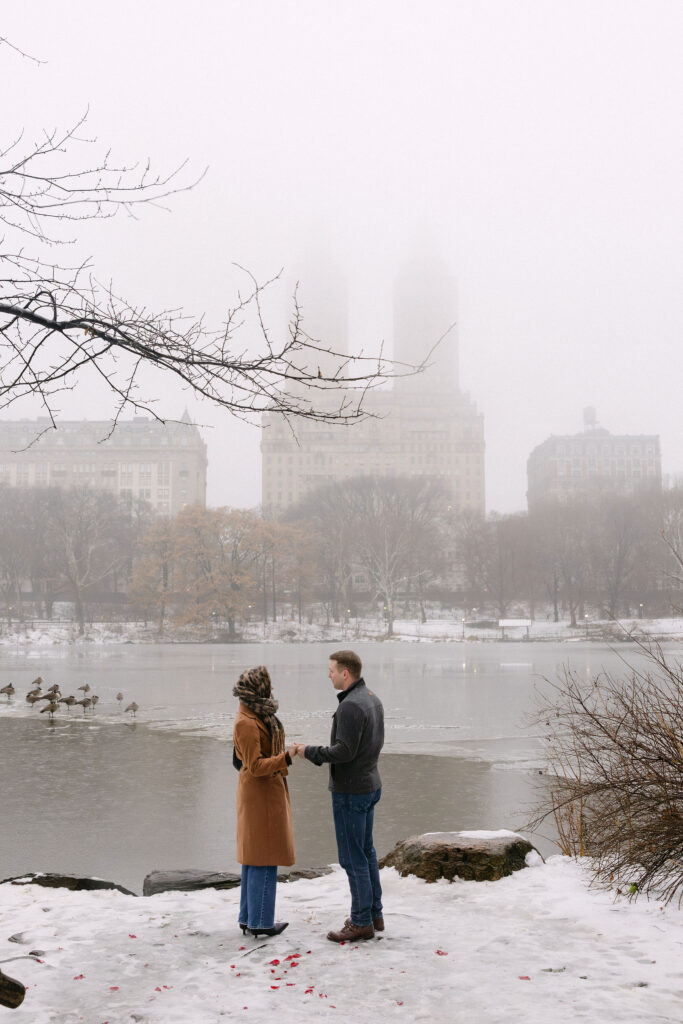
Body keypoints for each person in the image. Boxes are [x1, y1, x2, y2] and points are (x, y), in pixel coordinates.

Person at [295, 649, 384, 943]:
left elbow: (343, 752)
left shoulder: (350, 706)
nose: (329, 674)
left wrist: (307, 751)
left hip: (351, 791)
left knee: (352, 857)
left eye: (331, 670)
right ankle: (373, 913)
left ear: (345, 673)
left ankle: (361, 922)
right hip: (370, 784)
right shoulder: (372, 698)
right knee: (366, 851)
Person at [233, 665, 297, 938]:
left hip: (263, 795)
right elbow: (254, 765)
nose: (272, 690)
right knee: (263, 857)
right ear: (257, 690)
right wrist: (287, 757)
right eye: (268, 686)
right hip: (260, 796)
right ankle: (261, 921)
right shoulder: (247, 722)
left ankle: (250, 918)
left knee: (255, 857)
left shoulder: (255, 716)